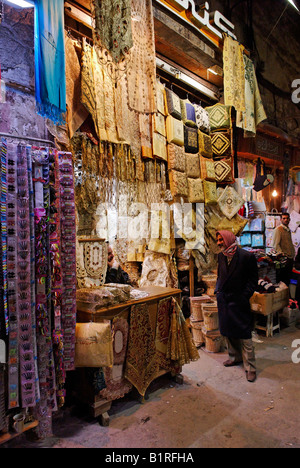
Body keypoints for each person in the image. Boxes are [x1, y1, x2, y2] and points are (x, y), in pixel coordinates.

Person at [215, 230, 258, 383]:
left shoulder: (246, 257)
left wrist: (244, 295)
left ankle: (250, 368)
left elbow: (253, 280)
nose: (219, 243)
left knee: (245, 334)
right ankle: (234, 357)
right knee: (228, 332)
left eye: (221, 240)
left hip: (239, 301)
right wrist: (217, 291)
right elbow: (220, 275)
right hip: (224, 300)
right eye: (218, 240)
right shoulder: (221, 256)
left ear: (229, 239)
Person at [273, 213, 295, 286]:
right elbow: (276, 245)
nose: (286, 220)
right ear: (281, 219)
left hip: (290, 258)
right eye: (284, 218)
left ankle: (287, 295)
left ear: (289, 219)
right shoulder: (278, 229)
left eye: (287, 218)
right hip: (284, 259)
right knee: (283, 280)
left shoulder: (288, 230)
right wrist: (282, 255)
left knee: (288, 279)